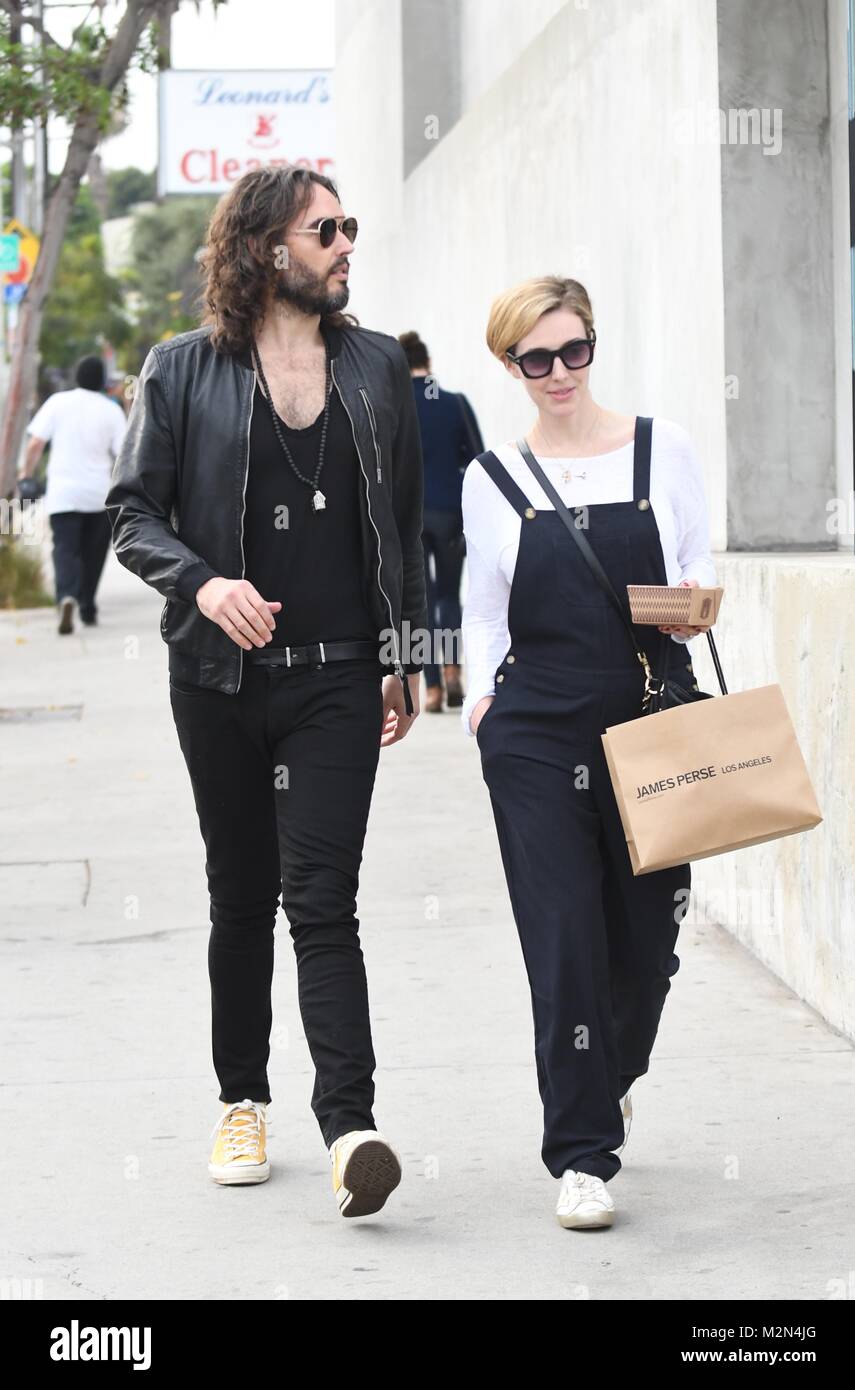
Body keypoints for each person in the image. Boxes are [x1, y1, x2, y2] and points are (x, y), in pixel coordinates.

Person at [105, 166, 427, 1219]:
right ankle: (241, 1098)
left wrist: (403, 653)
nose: (345, 244)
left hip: (336, 676)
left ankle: (351, 1128)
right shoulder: (182, 371)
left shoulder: (377, 367)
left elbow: (409, 525)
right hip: (218, 678)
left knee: (322, 903)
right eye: (323, 228)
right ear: (264, 248)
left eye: (348, 226)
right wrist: (203, 582)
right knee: (240, 897)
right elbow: (131, 515)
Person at [461, 276, 716, 1231]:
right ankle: (580, 1152)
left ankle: (613, 1073)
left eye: (574, 352)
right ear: (511, 366)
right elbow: (482, 606)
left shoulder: (662, 449)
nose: (559, 373)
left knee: (648, 939)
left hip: (651, 718)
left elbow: (699, 565)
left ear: (593, 347)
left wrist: (686, 600)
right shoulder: (490, 479)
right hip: (534, 733)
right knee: (562, 932)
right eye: (537, 359)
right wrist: (483, 708)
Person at [399, 331, 483, 712]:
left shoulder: (395, 408)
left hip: (410, 518)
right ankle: (452, 669)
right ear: (428, 363)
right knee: (449, 596)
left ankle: (431, 688)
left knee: (423, 601)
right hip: (451, 514)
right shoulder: (454, 404)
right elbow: (479, 460)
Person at [19, 354, 127, 634]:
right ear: (103, 381)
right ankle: (87, 606)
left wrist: (26, 475)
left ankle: (66, 595)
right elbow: (124, 455)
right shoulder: (111, 410)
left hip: (63, 495)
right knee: (94, 554)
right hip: (99, 495)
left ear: (76, 376)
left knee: (65, 549)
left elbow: (35, 444)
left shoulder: (58, 402)